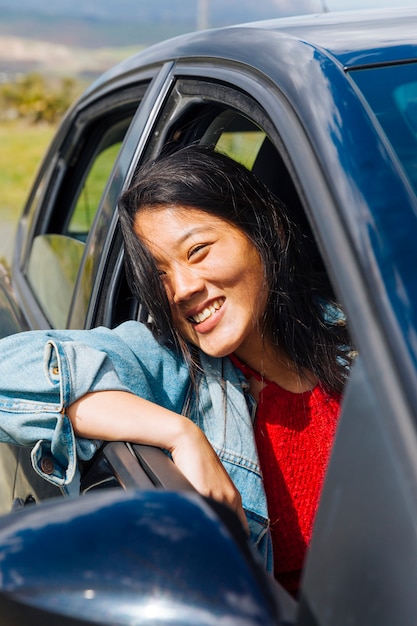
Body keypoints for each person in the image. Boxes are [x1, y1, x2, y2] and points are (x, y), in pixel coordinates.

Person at [0, 144, 352, 597]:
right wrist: (180, 432)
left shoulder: (364, 331)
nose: (183, 288)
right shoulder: (170, 367)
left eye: (199, 250)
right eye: (159, 274)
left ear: (266, 231)